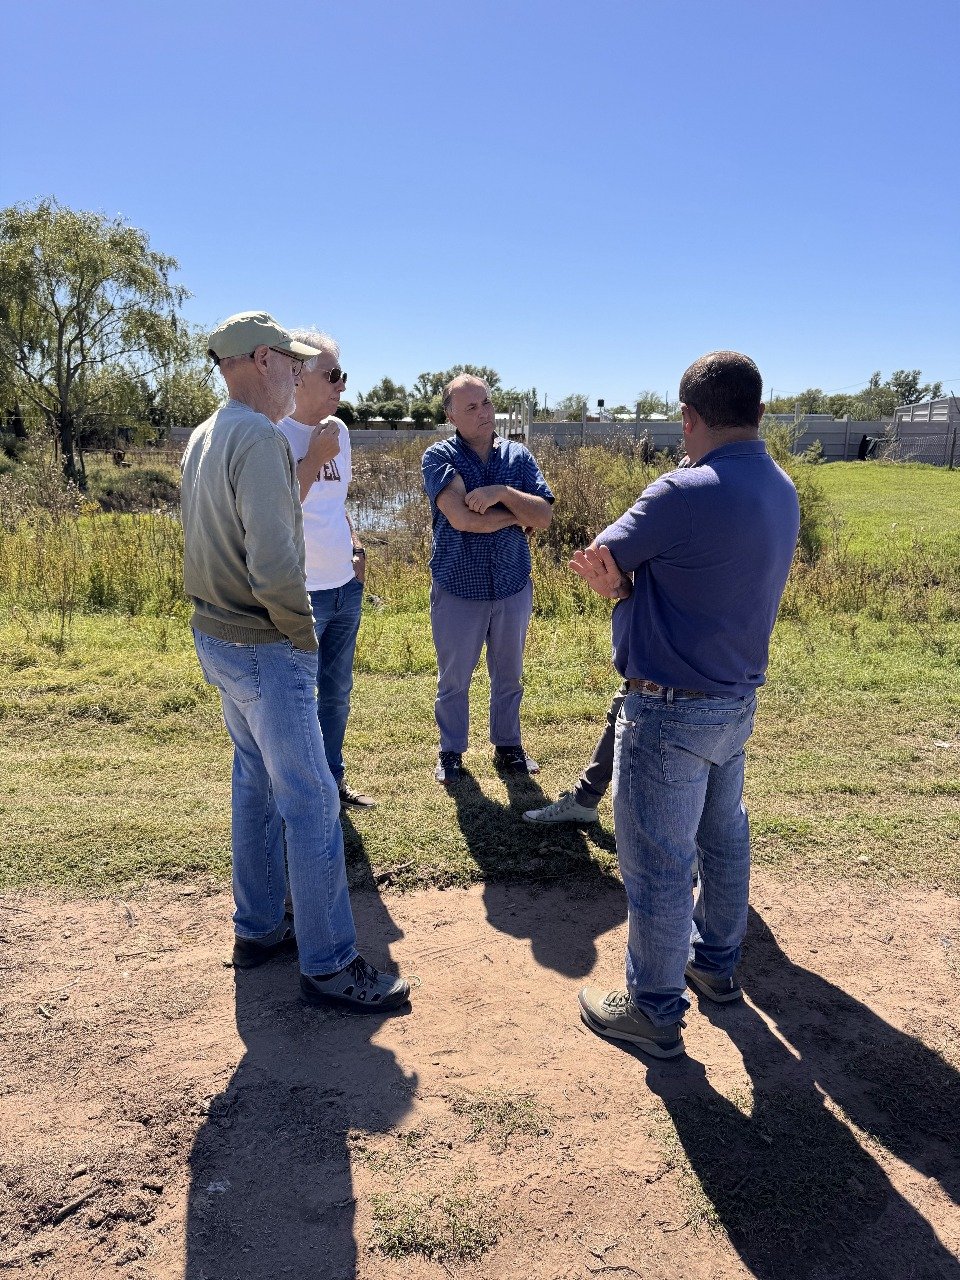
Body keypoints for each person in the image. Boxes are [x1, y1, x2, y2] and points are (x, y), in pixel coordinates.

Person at [572, 351, 799, 1058]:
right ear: (759, 413)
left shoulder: (682, 490)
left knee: (659, 865)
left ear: (689, 417)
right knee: (723, 838)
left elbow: (599, 558)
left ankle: (653, 1008)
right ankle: (716, 965)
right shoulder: (781, 487)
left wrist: (623, 590)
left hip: (668, 707)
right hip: (735, 699)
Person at [180, 310, 409, 1012]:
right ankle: (331, 964)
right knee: (311, 800)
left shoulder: (206, 433)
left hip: (217, 634)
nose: (299, 373)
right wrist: (301, 639)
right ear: (261, 360)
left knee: (254, 782)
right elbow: (277, 559)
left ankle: (258, 930)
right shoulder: (257, 436)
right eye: (291, 361)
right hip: (263, 643)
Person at [422, 374, 554, 784]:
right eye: (471, 407)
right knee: (454, 678)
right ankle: (451, 752)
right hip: (458, 585)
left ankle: (509, 746)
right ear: (451, 416)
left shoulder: (518, 457)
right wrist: (518, 516)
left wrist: (502, 493)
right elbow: (463, 519)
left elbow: (544, 516)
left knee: (509, 675)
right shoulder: (439, 457)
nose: (483, 413)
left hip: (512, 583)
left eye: (486, 403)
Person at [275, 330, 374, 809]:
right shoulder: (274, 433)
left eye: (342, 374)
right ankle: (301, 791)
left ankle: (332, 782)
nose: (342, 385)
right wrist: (314, 458)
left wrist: (356, 548)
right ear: (298, 376)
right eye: (332, 375)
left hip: (344, 587)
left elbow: (337, 505)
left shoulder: (340, 430)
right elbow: (280, 509)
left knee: (336, 693)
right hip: (302, 592)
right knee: (296, 699)